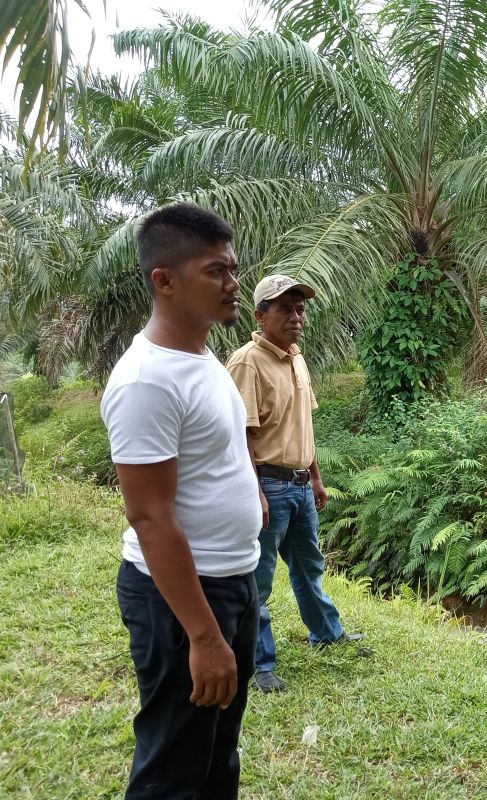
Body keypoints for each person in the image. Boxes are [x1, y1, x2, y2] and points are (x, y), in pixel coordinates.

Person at [101, 203, 264, 798]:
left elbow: (215, 455)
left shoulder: (202, 357)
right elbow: (149, 516)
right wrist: (202, 635)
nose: (233, 284)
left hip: (233, 578)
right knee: (174, 764)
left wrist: (250, 499)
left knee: (217, 750)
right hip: (185, 599)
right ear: (164, 280)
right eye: (216, 271)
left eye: (233, 269)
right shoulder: (147, 381)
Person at [226, 275, 364, 694]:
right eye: (284, 308)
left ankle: (327, 633)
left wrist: (316, 479)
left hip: (301, 485)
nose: (296, 316)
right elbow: (240, 435)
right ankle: (258, 662)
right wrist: (255, 493)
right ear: (260, 315)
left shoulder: (296, 358)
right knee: (260, 579)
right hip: (268, 485)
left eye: (300, 308)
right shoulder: (246, 362)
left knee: (310, 566)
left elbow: (304, 424)